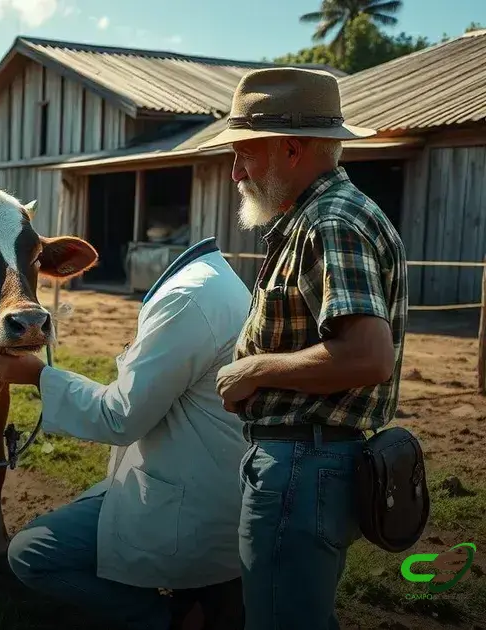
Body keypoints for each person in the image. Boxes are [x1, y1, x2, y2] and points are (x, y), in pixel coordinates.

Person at [199, 67, 408, 629]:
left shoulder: (329, 223)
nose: (235, 170)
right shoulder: (318, 218)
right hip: (310, 462)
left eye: (244, 153)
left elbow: (368, 356)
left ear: (291, 149)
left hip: (303, 463)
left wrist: (256, 370)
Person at [0, 236, 252, 630]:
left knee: (29, 553)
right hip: (206, 473)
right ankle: (198, 598)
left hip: (187, 503)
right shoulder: (220, 279)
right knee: (91, 503)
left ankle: (162, 617)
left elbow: (119, 417)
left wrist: (39, 376)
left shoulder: (184, 300)